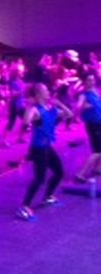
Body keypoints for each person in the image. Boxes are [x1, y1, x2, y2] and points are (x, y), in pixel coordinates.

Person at [16, 83, 73, 221]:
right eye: (46, 90)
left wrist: (59, 103)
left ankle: (47, 196)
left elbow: (69, 114)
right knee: (40, 178)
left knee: (59, 172)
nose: (48, 92)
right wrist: (30, 105)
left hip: (47, 147)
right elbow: (26, 121)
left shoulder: (51, 109)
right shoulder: (36, 110)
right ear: (39, 94)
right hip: (38, 149)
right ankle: (24, 207)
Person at [74, 73, 101, 182]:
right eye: (89, 80)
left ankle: (98, 168)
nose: (92, 82)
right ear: (84, 81)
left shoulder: (94, 91)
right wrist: (83, 107)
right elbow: (77, 107)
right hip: (93, 125)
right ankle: (80, 174)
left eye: (93, 80)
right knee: (98, 151)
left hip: (99, 123)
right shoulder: (83, 95)